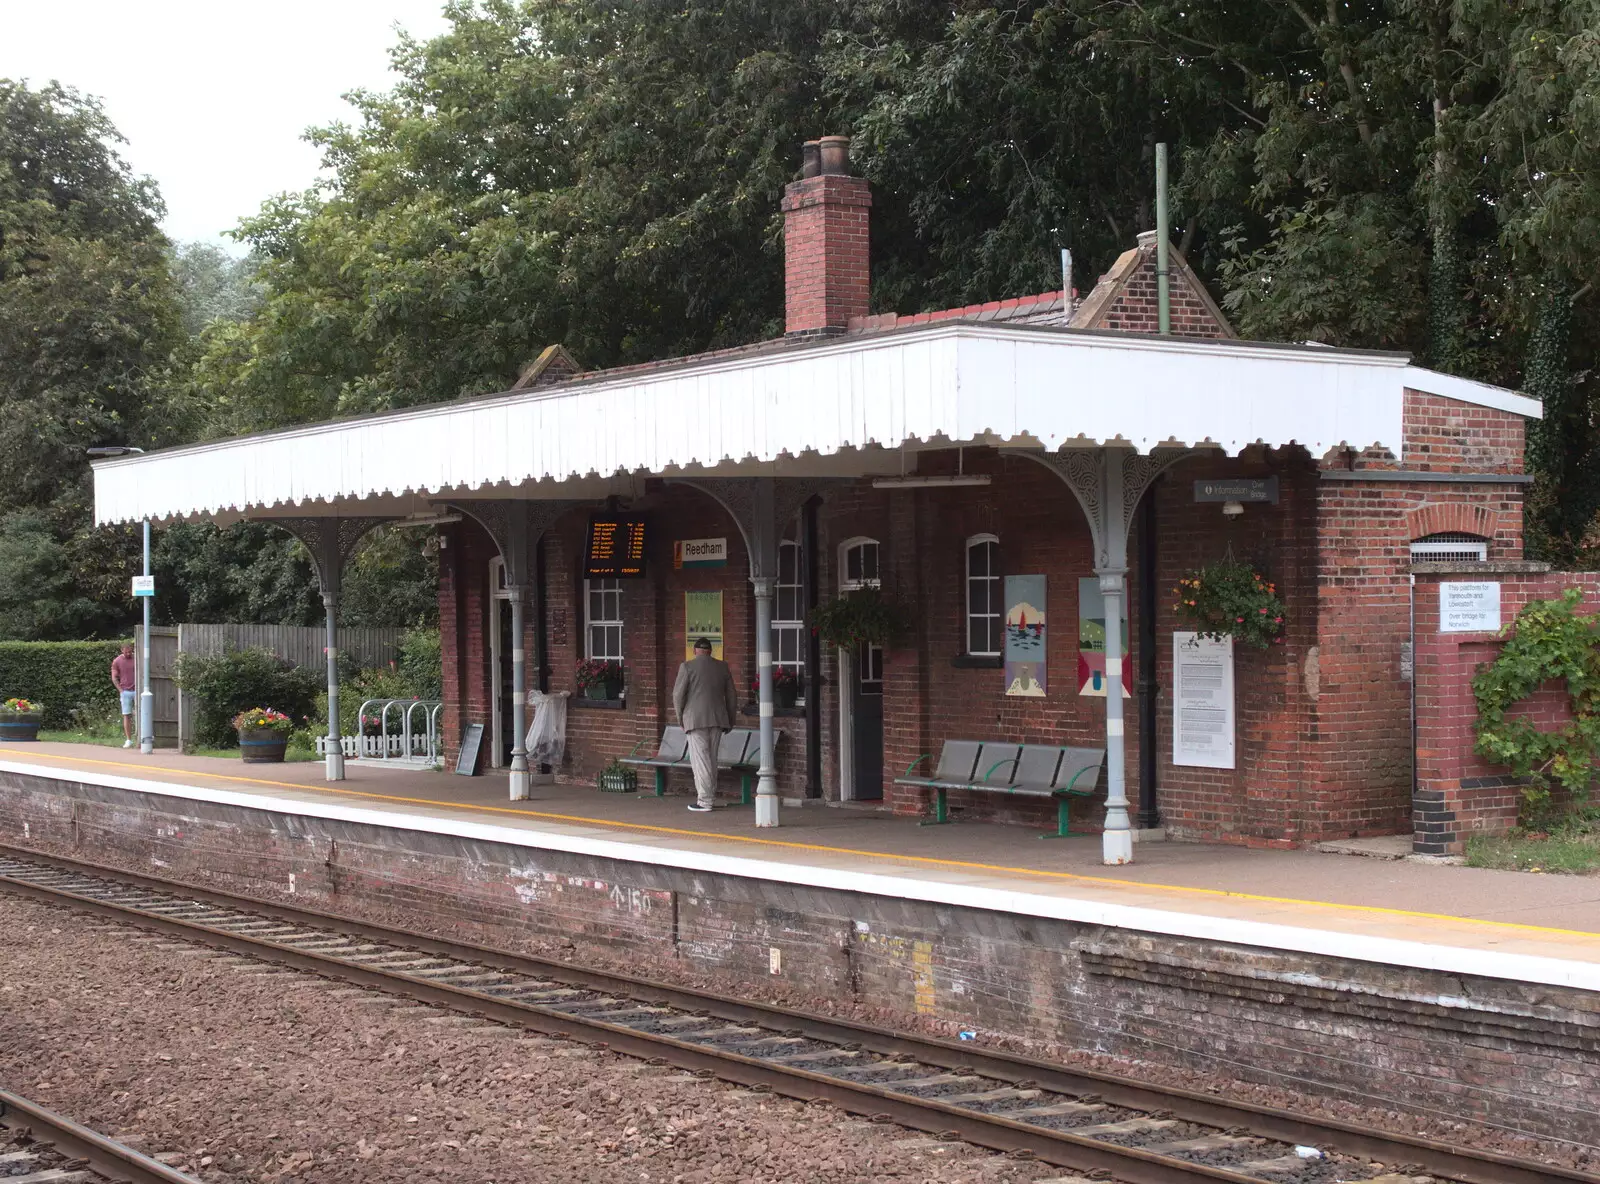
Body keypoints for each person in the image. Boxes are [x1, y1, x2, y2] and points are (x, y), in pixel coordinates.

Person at [671, 636, 737, 812]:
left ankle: (705, 801)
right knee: (711, 760)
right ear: (710, 651)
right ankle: (710, 797)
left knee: (701, 761)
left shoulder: (687, 667)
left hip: (695, 720)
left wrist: (680, 718)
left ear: (695, 651)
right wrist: (730, 719)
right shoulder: (722, 667)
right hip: (717, 719)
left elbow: (678, 696)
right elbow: (732, 696)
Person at [111, 643, 138, 748]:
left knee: (142, 714)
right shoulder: (117, 661)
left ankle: (142, 737)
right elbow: (114, 677)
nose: (128, 654)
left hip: (137, 689)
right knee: (127, 715)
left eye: (130, 651)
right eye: (126, 652)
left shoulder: (136, 657)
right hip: (125, 691)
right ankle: (128, 740)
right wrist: (120, 690)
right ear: (122, 650)